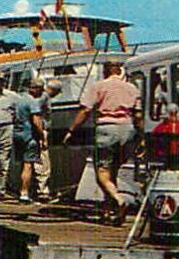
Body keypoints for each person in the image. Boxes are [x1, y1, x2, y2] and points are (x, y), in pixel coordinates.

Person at [63, 60, 144, 223]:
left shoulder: (99, 86)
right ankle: (109, 212)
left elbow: (86, 109)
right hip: (128, 130)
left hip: (107, 129)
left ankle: (118, 200)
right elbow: (138, 115)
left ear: (105, 71)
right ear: (119, 71)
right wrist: (141, 138)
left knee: (102, 173)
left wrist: (71, 130)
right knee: (112, 171)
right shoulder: (132, 88)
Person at [14, 78, 51, 202]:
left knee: (22, 164)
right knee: (28, 165)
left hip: (17, 134)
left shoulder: (17, 100)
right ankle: (24, 193)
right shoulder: (32, 101)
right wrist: (42, 137)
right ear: (34, 89)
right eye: (40, 90)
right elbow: (36, 121)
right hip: (29, 135)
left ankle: (22, 189)